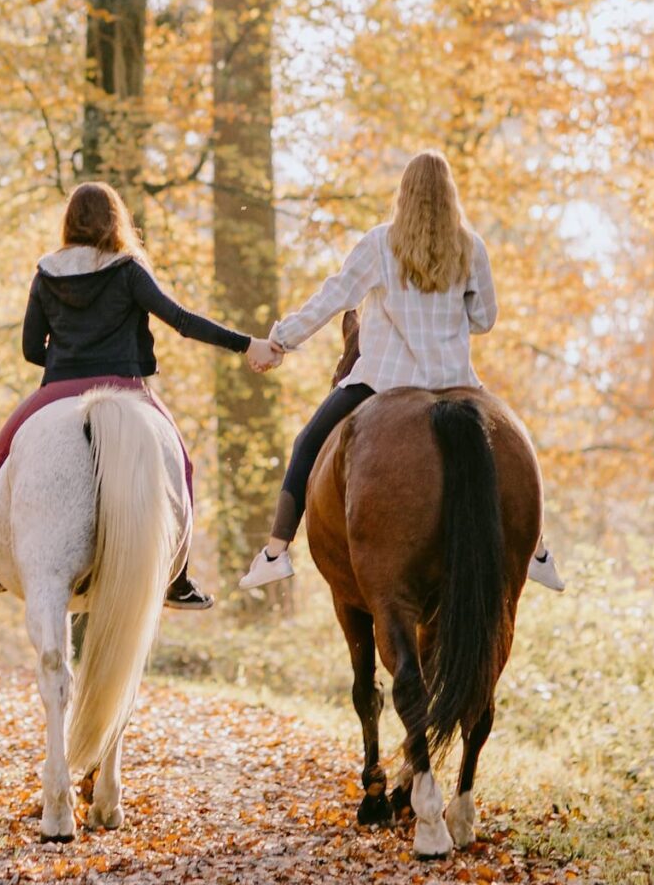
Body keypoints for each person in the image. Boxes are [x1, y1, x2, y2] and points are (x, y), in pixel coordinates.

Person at [237, 148, 565, 593]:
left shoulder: (380, 243)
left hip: (383, 381)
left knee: (307, 442)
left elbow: (335, 297)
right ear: (449, 194)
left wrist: (281, 340)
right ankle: (537, 551)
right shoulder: (471, 247)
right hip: (455, 382)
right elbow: (486, 319)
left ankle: (276, 552)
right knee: (513, 448)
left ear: (404, 193)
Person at [0, 181, 255, 610]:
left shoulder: (47, 272)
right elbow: (181, 320)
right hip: (126, 386)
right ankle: (180, 578)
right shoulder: (128, 269)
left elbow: (29, 349)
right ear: (115, 218)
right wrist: (246, 344)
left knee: (0, 450)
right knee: (183, 463)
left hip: (59, 385)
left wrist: (67, 358)